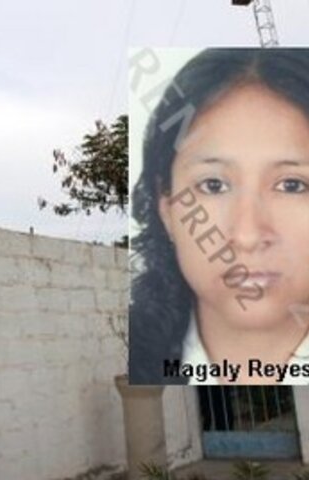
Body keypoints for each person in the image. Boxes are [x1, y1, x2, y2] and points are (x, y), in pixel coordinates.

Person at [129, 48, 309, 385]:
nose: (247, 236)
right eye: (213, 185)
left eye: (292, 185)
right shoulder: (127, 353)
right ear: (166, 206)